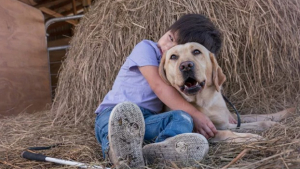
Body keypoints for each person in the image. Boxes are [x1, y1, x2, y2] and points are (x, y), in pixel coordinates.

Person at [95, 14, 234, 168]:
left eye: (176, 47)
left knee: (182, 118)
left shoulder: (173, 66)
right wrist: (196, 115)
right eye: (170, 38)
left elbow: (206, 82)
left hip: (147, 120)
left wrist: (222, 110)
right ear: (166, 31)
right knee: (118, 132)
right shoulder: (147, 48)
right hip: (115, 114)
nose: (168, 47)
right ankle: (117, 158)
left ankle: (158, 152)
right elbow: (160, 87)